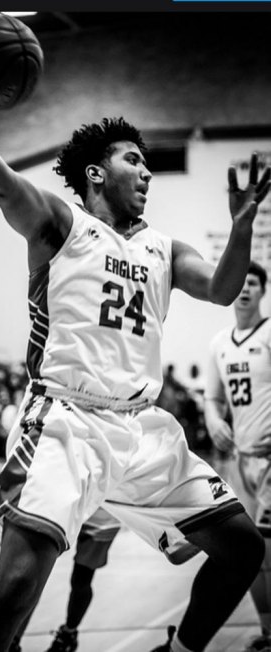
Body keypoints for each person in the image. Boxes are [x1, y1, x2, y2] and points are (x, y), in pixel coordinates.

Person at [0, 40, 271, 652]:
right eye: (134, 161)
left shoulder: (163, 249)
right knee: (16, 585)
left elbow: (223, 290)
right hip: (67, 423)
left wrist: (243, 223)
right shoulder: (64, 225)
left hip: (142, 432)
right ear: (97, 172)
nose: (147, 173)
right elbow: (3, 185)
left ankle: (181, 648)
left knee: (243, 549)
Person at [205, 260, 271, 652]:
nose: (244, 289)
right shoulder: (218, 344)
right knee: (253, 552)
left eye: (253, 283)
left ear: (263, 290)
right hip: (241, 461)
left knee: (268, 545)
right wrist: (214, 420)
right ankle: (267, 630)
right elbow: (212, 398)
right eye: (240, 283)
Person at [10, 508, 121, 652]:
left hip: (104, 512)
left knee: (81, 579)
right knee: (34, 574)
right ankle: (13, 639)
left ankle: (68, 635)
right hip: (66, 502)